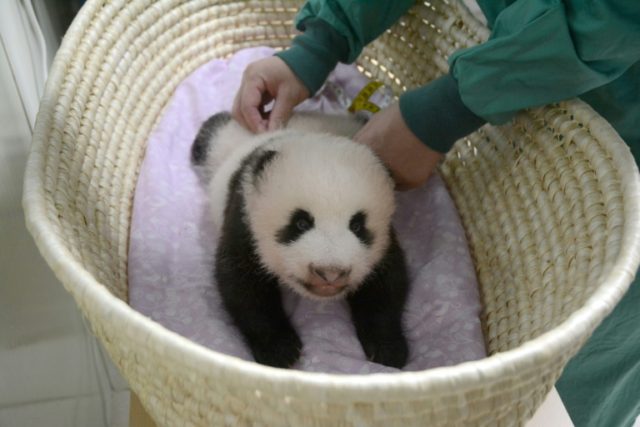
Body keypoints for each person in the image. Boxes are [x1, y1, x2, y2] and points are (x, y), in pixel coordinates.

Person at [232, 1, 640, 426]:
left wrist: (445, 110)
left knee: (571, 371)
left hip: (622, 120)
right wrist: (319, 44)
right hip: (505, 60)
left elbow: (616, 15)